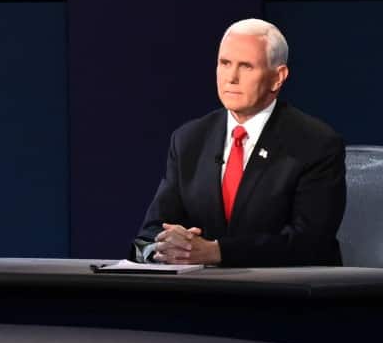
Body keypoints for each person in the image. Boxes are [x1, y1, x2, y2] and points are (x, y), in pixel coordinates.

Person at [132, 19, 346, 267]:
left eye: (246, 67)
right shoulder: (189, 140)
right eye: (224, 64)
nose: (231, 78)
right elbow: (148, 235)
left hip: (284, 295)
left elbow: (311, 243)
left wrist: (217, 252)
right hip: (202, 295)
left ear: (278, 77)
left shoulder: (315, 144)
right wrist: (164, 247)